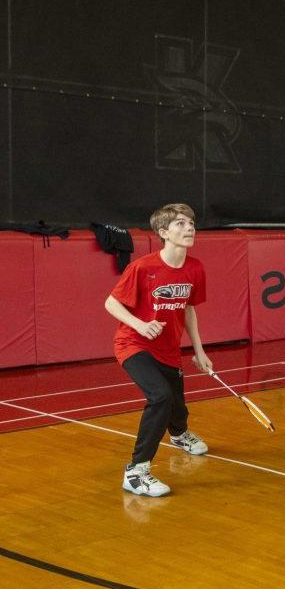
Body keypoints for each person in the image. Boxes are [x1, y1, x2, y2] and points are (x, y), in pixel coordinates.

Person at [104, 203, 212, 497]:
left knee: (177, 402)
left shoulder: (195, 268)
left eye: (191, 222)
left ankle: (178, 435)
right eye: (180, 224)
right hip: (133, 344)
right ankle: (136, 472)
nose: (189, 227)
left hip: (168, 349)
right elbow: (111, 304)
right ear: (163, 232)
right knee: (161, 397)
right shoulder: (143, 267)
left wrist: (199, 351)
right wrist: (139, 325)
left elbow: (189, 310)